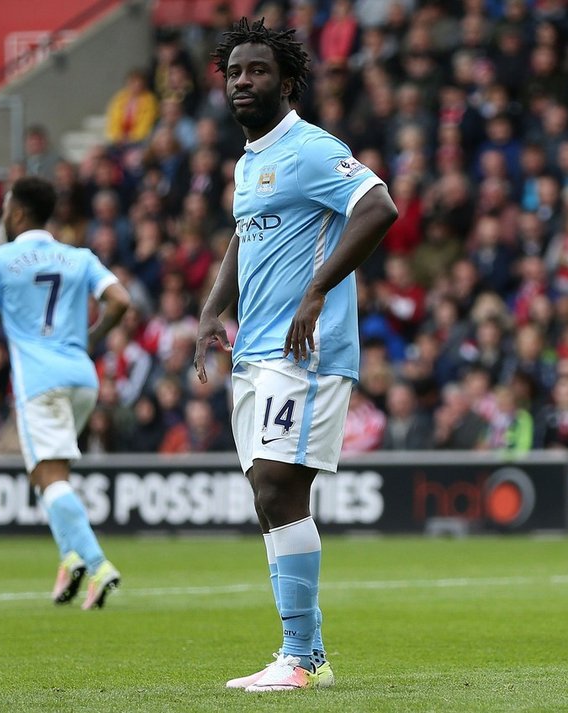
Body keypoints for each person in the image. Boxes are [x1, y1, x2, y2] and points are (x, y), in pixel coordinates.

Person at [194, 18, 397, 692]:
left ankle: (300, 656)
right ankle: (308, 652)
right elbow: (243, 236)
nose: (243, 82)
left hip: (303, 349)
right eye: (234, 72)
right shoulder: (249, 161)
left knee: (277, 484)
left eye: (256, 71)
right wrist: (213, 307)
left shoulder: (312, 148)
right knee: (270, 493)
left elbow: (378, 206)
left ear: (286, 79)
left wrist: (317, 289)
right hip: (253, 351)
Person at [0, 176, 131, 611]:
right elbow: (120, 300)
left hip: (39, 381)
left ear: (18, 213)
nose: (3, 215)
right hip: (82, 376)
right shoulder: (79, 257)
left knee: (51, 475)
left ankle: (98, 565)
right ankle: (70, 557)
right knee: (44, 474)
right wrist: (93, 339)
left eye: (5, 208)